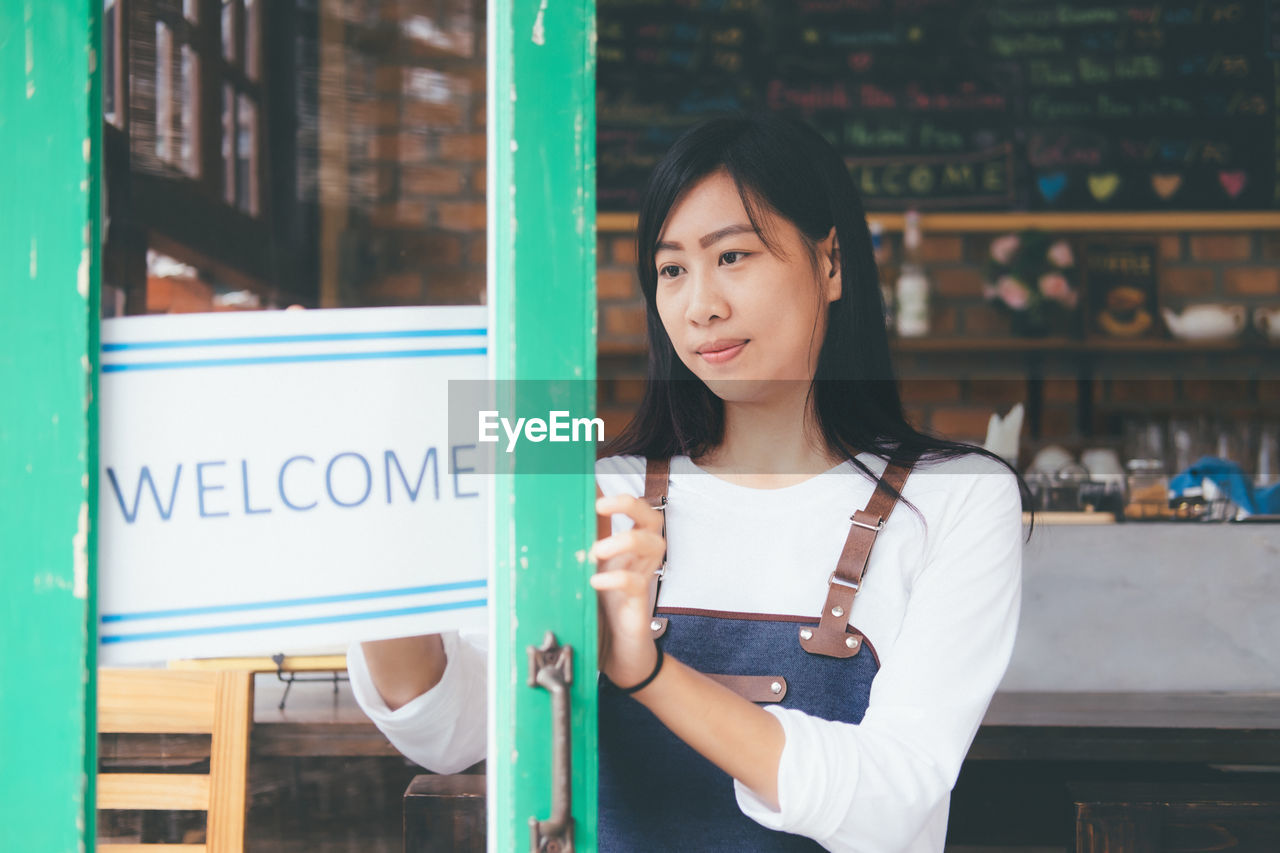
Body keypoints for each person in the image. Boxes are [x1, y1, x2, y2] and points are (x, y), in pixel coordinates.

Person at [348, 113, 1035, 851]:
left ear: (831, 263)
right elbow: (456, 728)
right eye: (671, 269)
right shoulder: (596, 490)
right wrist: (371, 533)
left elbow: (889, 799)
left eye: (732, 256)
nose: (700, 304)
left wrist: (647, 671)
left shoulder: (956, 498)